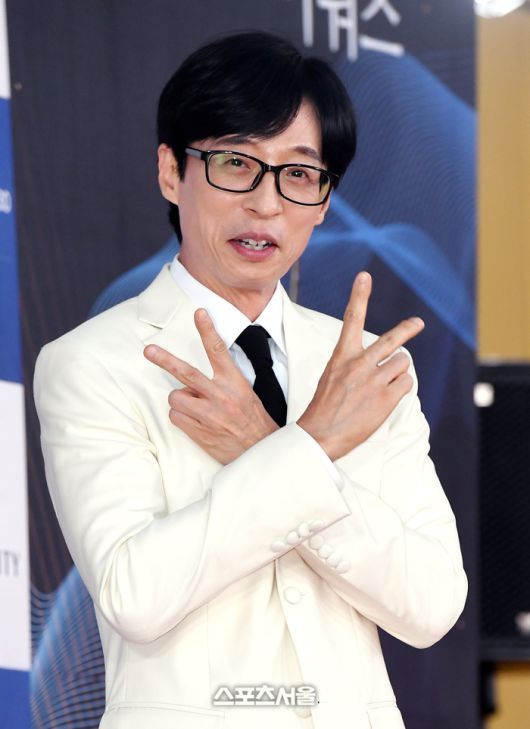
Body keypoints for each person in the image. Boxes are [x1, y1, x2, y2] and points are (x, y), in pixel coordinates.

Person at [33, 31, 467, 729]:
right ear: (171, 172)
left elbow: (432, 604)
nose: (267, 204)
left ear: (324, 200)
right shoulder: (92, 362)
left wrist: (268, 447)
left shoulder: (368, 370)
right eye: (236, 162)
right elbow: (133, 594)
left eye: (299, 174)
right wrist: (312, 446)